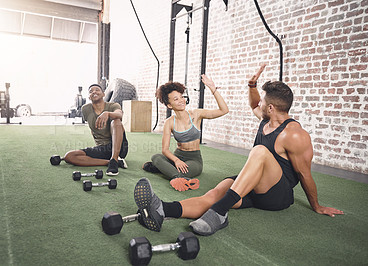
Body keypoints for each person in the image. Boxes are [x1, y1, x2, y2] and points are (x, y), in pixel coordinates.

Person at [133, 65, 344, 235]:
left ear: (270, 108)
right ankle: (162, 209)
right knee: (214, 193)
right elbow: (254, 105)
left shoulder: (294, 134)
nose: (258, 104)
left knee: (260, 151)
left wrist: (317, 205)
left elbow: (304, 174)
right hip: (252, 184)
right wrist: (252, 85)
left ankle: (220, 212)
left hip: (277, 195)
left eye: (262, 102)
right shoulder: (266, 119)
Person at [142, 75, 229, 191]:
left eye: (181, 97)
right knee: (156, 157)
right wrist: (177, 160)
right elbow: (165, 150)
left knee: (185, 170)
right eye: (176, 99)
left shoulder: (196, 114)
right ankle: (179, 178)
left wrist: (213, 89)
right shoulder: (169, 122)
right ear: (169, 105)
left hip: (194, 159)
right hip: (177, 156)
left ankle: (168, 171)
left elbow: (224, 110)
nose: (181, 101)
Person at [63, 84, 128, 176]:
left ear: (103, 94)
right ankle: (110, 162)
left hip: (120, 147)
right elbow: (92, 128)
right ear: (89, 96)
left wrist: (107, 114)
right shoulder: (85, 109)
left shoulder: (113, 105)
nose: (94, 92)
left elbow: (119, 115)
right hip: (102, 149)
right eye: (91, 91)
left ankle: (114, 160)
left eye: (97, 90)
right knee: (69, 156)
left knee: (116, 121)